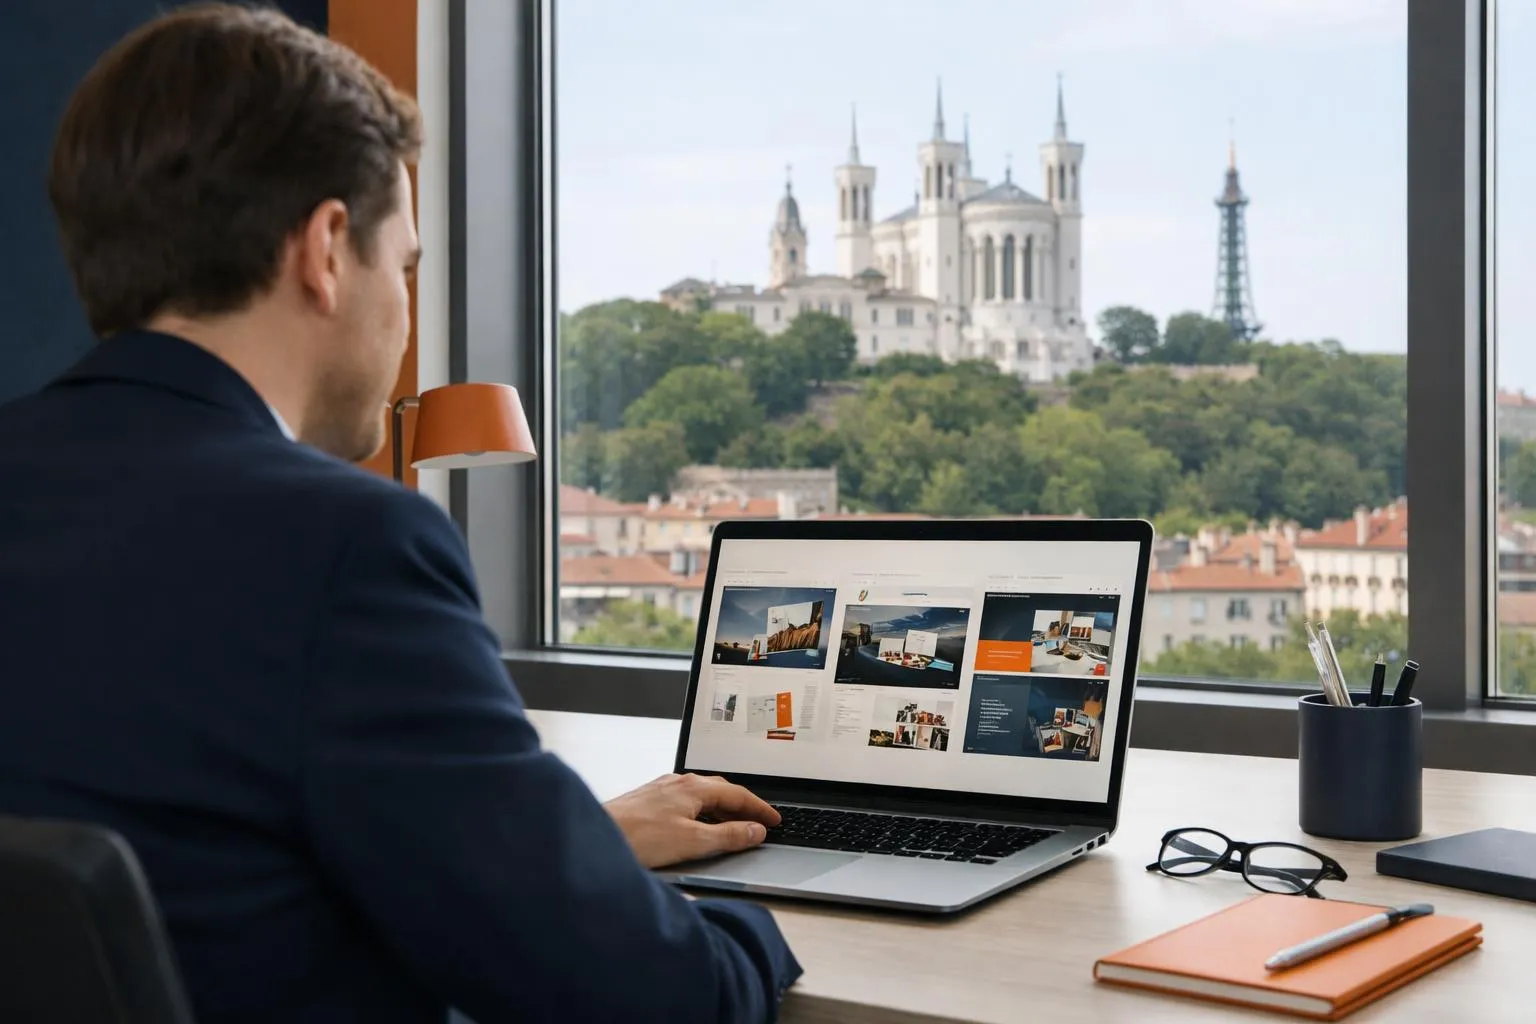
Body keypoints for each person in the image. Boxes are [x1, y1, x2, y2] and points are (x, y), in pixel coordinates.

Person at [0, 5, 800, 1023]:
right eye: (408, 264)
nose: (405, 309)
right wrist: (767, 925)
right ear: (327, 251)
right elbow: (652, 997)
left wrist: (561, 851)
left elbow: (209, 861)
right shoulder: (343, 546)